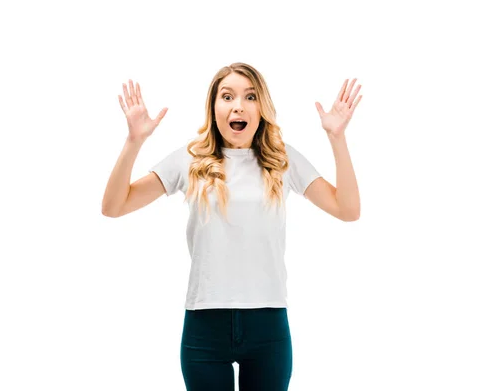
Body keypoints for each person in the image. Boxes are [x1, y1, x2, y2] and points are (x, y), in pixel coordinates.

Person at [102, 62, 362, 391]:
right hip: (204, 324)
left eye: (250, 96)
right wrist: (133, 142)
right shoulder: (189, 159)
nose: (238, 105)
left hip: (268, 325)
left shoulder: (283, 160)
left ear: (261, 108)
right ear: (214, 107)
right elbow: (114, 206)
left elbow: (348, 209)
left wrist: (337, 138)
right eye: (227, 96)